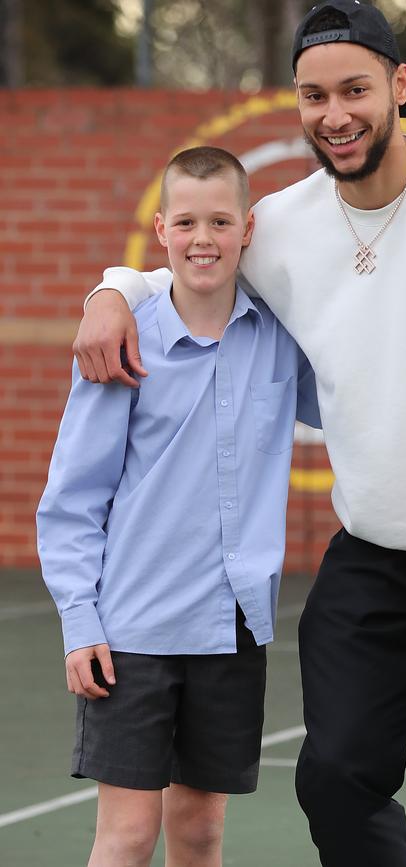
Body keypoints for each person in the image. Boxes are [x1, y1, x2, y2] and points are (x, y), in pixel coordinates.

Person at [71, 2, 406, 866]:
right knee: (335, 776)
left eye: (355, 88)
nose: (335, 114)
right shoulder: (283, 227)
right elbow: (196, 258)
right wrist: (113, 288)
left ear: (399, 85)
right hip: (382, 544)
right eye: (313, 95)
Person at [37, 145, 320, 867]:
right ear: (161, 228)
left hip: (231, 629)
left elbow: (366, 392)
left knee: (199, 834)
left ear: (247, 229)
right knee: (129, 835)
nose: (204, 238)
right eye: (187, 221)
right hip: (133, 631)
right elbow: (71, 500)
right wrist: (79, 620)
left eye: (221, 221)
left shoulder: (281, 343)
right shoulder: (121, 346)